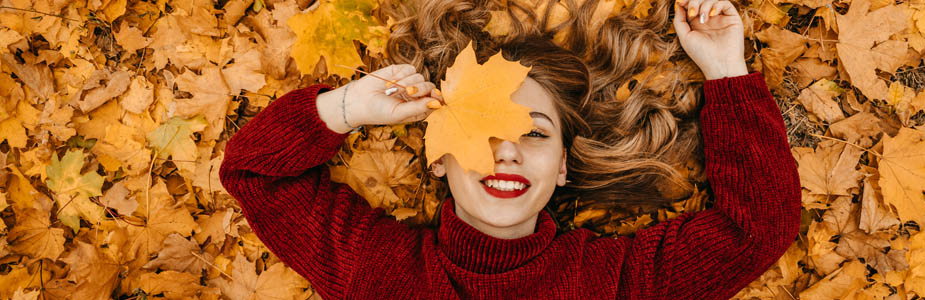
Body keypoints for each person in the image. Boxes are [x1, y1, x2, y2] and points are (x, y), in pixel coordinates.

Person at [220, 0, 801, 299]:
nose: (507, 154)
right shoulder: (377, 273)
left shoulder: (614, 283)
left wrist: (724, 66)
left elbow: (755, 228)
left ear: (564, 164)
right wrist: (350, 109)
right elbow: (255, 174)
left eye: (535, 133)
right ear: (439, 156)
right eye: (482, 131)